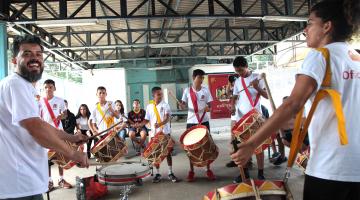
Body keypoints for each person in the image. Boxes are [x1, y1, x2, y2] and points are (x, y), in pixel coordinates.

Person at [231, 1, 360, 199]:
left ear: (327, 26)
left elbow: (293, 104)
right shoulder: (356, 59)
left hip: (330, 169)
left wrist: (251, 144)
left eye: (310, 23)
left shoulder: (320, 56)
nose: (305, 30)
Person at [0, 35, 88, 199]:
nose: (34, 58)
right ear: (14, 60)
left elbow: (40, 124)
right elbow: (35, 128)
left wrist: (72, 137)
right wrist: (73, 153)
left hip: (24, 180)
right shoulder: (16, 84)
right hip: (18, 184)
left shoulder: (26, 87)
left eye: (38, 54)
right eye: (27, 54)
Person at [230, 56, 268, 183]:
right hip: (241, 118)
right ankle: (244, 173)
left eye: (241, 70)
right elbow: (234, 97)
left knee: (259, 147)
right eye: (237, 71)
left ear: (246, 66)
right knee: (242, 147)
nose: (240, 73)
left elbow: (267, 96)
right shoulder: (237, 82)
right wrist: (232, 106)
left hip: (255, 116)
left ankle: (261, 173)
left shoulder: (258, 77)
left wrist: (256, 87)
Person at [180, 69, 216, 182]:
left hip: (204, 121)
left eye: (202, 78)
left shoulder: (206, 90)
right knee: (190, 148)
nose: (201, 80)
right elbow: (183, 106)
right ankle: (191, 171)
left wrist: (208, 108)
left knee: (206, 146)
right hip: (191, 122)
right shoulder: (187, 91)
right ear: (193, 78)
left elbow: (210, 106)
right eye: (199, 77)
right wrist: (181, 105)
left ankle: (208, 169)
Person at [39, 79, 73, 190]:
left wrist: (61, 116)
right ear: (43, 89)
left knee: (60, 155)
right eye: (46, 87)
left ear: (54, 88)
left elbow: (65, 114)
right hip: (45, 133)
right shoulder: (39, 102)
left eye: (50, 87)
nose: (48, 89)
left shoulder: (60, 101)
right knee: (46, 158)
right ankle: (49, 181)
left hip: (58, 132)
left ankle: (61, 179)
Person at [141, 87, 179, 183]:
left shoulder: (165, 105)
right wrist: (139, 124)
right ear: (153, 96)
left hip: (165, 133)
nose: (160, 95)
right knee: (156, 154)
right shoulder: (149, 106)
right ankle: (158, 173)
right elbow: (146, 120)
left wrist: (160, 124)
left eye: (161, 94)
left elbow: (167, 118)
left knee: (168, 153)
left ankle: (170, 172)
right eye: (158, 94)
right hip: (154, 134)